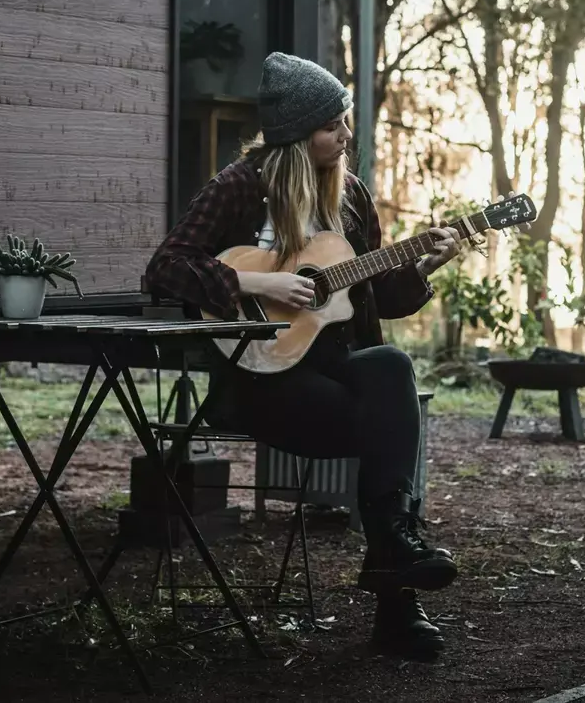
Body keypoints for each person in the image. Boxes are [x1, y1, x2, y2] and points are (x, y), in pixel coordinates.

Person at [145, 51, 465, 661]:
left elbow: (376, 296)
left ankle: (393, 557)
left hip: (336, 371)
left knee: (391, 367)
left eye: (344, 121)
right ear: (295, 135)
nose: (346, 135)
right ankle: (396, 602)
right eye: (331, 126)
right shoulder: (240, 187)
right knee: (389, 430)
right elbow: (166, 268)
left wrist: (424, 266)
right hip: (261, 380)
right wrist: (258, 283)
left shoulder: (351, 196)